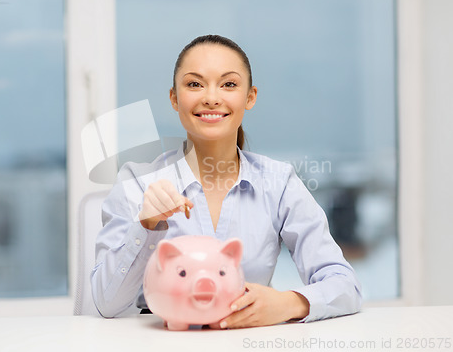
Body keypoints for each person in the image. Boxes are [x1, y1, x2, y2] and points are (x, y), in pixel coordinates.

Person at [91, 34, 362, 328]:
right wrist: (145, 226)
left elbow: (345, 285)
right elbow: (107, 304)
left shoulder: (279, 183)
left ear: (250, 97)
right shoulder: (137, 183)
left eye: (229, 84)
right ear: (174, 98)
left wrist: (288, 303)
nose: (211, 97)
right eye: (194, 84)